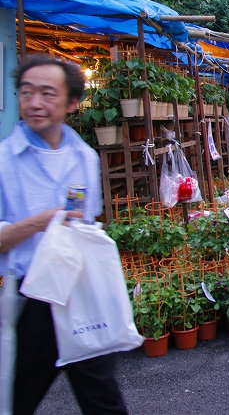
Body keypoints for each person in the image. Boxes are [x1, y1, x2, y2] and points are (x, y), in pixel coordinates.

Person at [0, 55, 129, 415]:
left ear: (72, 103)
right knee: (15, 399)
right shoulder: (5, 161)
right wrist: (41, 223)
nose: (35, 103)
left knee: (103, 400)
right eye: (26, 93)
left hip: (78, 294)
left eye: (47, 93)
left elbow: (84, 226)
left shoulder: (85, 158)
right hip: (30, 298)